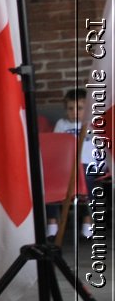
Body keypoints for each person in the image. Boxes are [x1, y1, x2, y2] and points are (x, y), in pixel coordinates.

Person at [50, 88, 93, 240]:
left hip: (89, 164)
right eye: (70, 108)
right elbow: (56, 145)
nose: (74, 112)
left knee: (88, 179)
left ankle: (88, 220)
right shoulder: (61, 124)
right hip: (66, 167)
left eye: (80, 108)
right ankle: (52, 222)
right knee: (50, 179)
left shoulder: (93, 123)